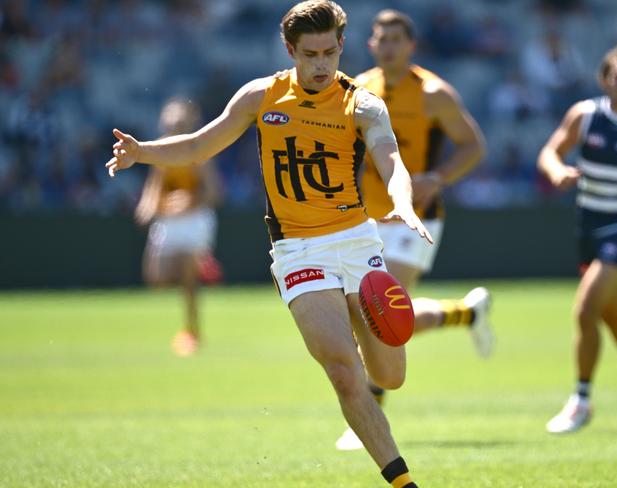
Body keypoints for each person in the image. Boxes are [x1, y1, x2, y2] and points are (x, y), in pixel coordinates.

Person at [106, 2, 430, 485]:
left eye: (328, 52)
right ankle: (404, 482)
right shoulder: (262, 96)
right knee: (343, 374)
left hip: (357, 242)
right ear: (290, 51)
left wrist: (402, 203)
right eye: (309, 54)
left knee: (390, 376)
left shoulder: (363, 104)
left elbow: (392, 163)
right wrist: (141, 153)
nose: (321, 64)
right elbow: (199, 145)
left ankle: (366, 335)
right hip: (298, 251)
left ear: (342, 45)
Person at [335, 9, 494, 451]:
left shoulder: (434, 93)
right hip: (363, 218)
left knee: (377, 309)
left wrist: (438, 178)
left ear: (411, 46)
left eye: (396, 39)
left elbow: (474, 146)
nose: (387, 46)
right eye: (380, 39)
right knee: (369, 313)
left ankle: (367, 418)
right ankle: (466, 313)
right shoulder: (356, 90)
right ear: (370, 45)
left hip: (415, 216)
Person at [538, 44, 617, 434]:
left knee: (586, 309)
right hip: (588, 223)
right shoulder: (586, 115)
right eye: (615, 75)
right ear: (604, 79)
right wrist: (557, 172)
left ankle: (581, 400)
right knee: (611, 312)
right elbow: (551, 151)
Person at [134, 98, 221, 357]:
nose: (174, 128)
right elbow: (153, 190)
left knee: (187, 275)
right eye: (170, 124)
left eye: (179, 124)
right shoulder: (161, 151)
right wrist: (147, 208)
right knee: (156, 277)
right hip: (168, 220)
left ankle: (191, 331)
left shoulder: (199, 153)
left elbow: (214, 193)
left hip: (195, 219)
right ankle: (204, 266)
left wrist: (189, 202)